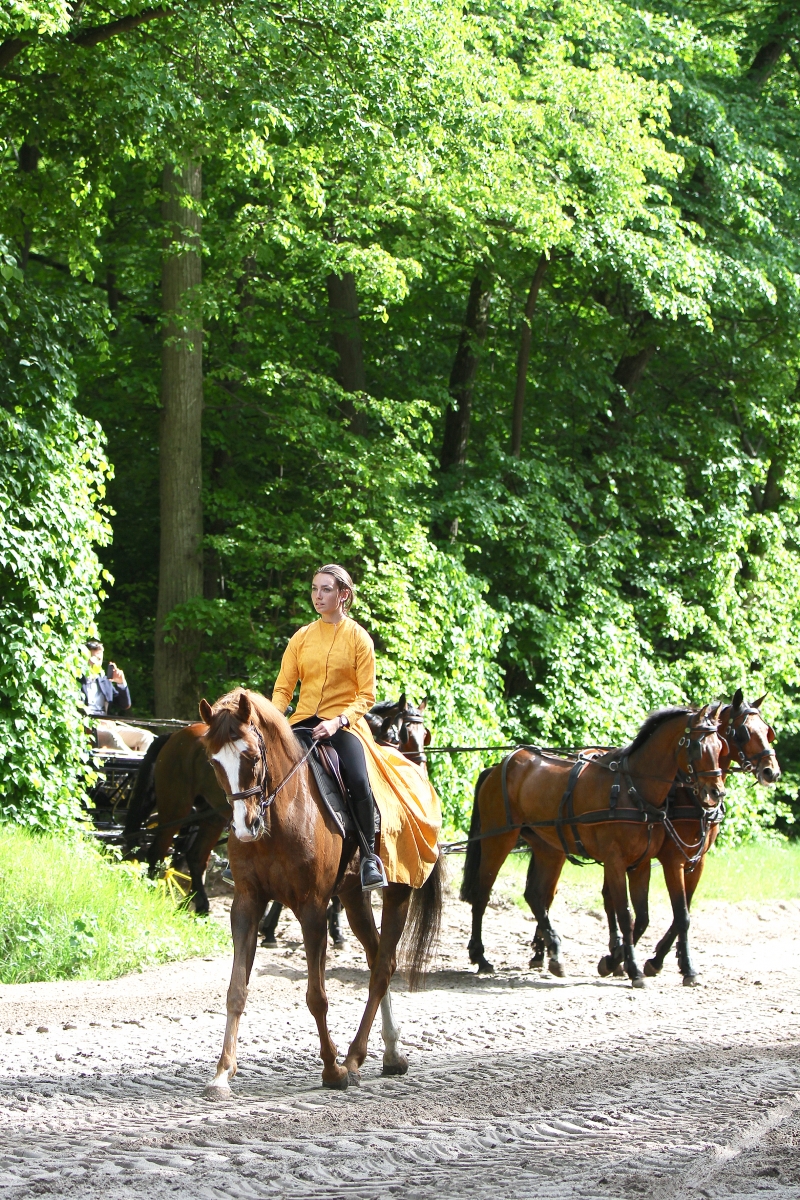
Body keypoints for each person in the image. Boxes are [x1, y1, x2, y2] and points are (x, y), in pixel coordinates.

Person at [271, 565, 389, 891]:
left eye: (325, 589)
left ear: (343, 594)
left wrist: (338, 721)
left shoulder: (359, 638)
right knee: (263, 765)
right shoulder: (301, 637)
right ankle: (245, 842)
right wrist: (273, 720)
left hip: (344, 726)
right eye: (314, 589)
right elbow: (283, 689)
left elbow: (367, 695)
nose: (317, 596)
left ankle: (368, 857)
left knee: (358, 779)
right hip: (302, 722)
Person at [80, 640, 154, 753]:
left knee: (146, 737)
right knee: (112, 736)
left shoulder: (104, 681)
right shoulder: (77, 681)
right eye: (92, 659)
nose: (95, 663)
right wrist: (97, 721)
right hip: (89, 728)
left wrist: (121, 683)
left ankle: (142, 763)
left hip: (108, 727)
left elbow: (124, 704)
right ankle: (135, 761)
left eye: (99, 659)